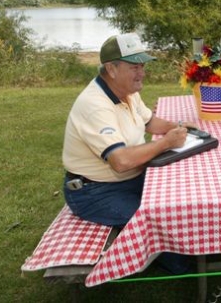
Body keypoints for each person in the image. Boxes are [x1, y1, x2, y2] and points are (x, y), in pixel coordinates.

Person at [60, 32, 193, 227]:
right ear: (111, 69)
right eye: (134, 67)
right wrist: (166, 142)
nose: (142, 73)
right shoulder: (95, 105)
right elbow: (120, 161)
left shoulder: (126, 91)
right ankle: (175, 257)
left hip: (131, 179)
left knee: (181, 201)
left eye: (142, 66)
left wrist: (179, 127)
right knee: (159, 224)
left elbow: (149, 122)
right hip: (94, 193)